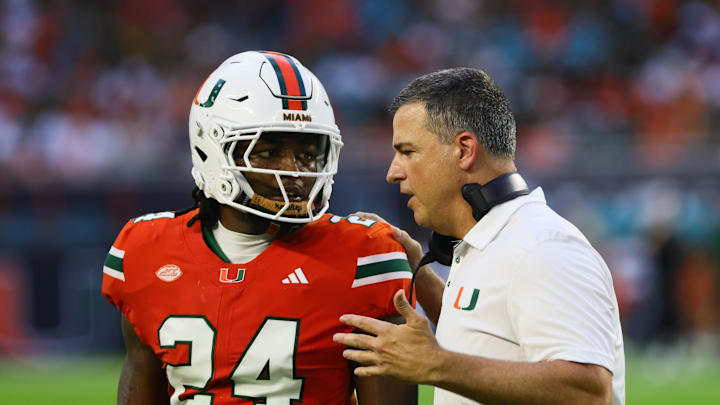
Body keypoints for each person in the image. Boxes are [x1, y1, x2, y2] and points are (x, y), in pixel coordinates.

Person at [101, 50, 417, 405]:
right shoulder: (147, 249)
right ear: (214, 150)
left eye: (307, 152)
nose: (294, 171)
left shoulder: (364, 255)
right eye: (268, 153)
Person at [333, 67, 626, 404]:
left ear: (464, 150)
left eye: (408, 151)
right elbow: (483, 339)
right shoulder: (491, 241)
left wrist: (435, 365)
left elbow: (589, 392)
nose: (393, 172)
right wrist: (419, 270)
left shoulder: (543, 247)